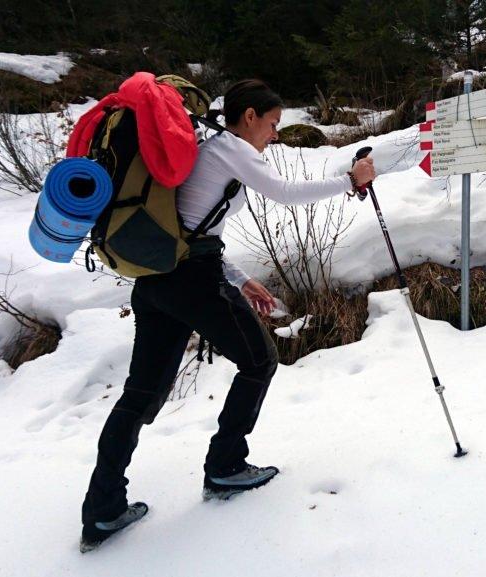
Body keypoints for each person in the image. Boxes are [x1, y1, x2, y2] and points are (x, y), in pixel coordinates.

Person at [79, 79, 375, 551]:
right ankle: (225, 467)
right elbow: (284, 193)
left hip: (157, 280)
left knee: (138, 396)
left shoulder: (203, 145)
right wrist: (349, 181)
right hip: (191, 279)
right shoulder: (229, 146)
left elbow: (191, 224)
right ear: (250, 116)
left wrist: (238, 278)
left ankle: (102, 509)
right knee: (259, 360)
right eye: (273, 124)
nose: (274, 134)